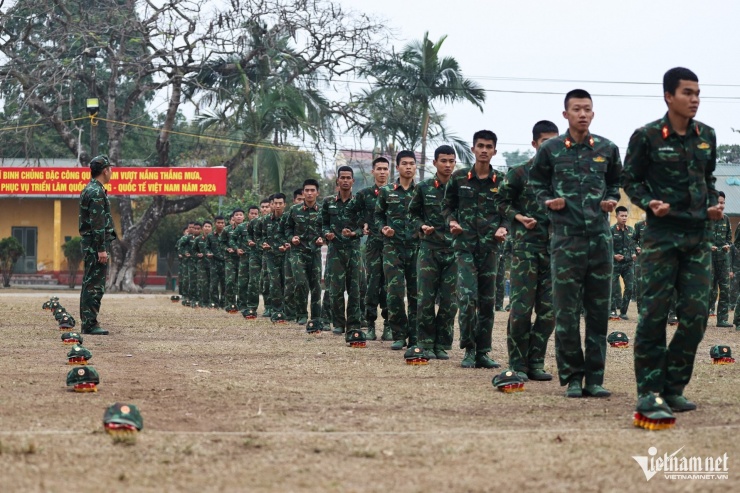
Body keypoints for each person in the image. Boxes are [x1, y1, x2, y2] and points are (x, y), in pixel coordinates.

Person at [622, 67, 722, 415]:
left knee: (695, 315)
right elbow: (631, 181)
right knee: (652, 315)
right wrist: (649, 203)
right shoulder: (647, 136)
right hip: (661, 237)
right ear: (669, 96)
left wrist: (714, 203)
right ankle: (649, 392)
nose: (695, 99)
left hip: (697, 238)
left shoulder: (706, 135)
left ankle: (673, 386)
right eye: (687, 92)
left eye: (697, 93)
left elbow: (708, 179)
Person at [529, 89, 622, 397]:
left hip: (600, 242)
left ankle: (595, 379)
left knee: (598, 313)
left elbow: (615, 182)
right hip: (565, 241)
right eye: (576, 109)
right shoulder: (551, 149)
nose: (582, 114)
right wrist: (547, 201)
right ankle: (572, 378)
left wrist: (610, 199)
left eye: (587, 109)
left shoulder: (607, 149)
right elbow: (535, 182)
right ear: (565, 114)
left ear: (593, 113)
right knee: (566, 313)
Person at [497, 120, 559, 381]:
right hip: (525, 250)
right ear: (535, 144)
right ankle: (518, 362)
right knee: (521, 310)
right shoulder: (520, 173)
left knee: (549, 311)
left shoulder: (564, 176)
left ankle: (536, 361)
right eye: (546, 142)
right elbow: (501, 202)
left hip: (556, 251)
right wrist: (518, 217)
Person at [443, 130, 509, 368]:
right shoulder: (459, 178)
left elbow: (508, 212)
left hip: (491, 249)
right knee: (468, 297)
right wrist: (451, 221)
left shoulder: (501, 181)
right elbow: (447, 206)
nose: (484, 150)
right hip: (465, 247)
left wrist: (504, 228)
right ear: (472, 149)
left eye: (488, 146)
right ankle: (469, 349)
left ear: (494, 151)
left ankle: (483, 351)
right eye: (480, 145)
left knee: (487, 301)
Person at [408, 145, 457, 359]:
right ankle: (426, 342)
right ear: (434, 162)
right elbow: (412, 214)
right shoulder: (424, 187)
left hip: (454, 251)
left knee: (449, 301)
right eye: (443, 161)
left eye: (451, 161)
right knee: (425, 299)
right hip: (429, 250)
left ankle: (442, 344)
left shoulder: (461, 187)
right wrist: (421, 226)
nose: (448, 165)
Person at [375, 151, 420, 350]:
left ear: (416, 167)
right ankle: (399, 334)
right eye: (404, 163)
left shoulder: (422, 191)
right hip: (392, 248)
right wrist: (383, 228)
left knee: (416, 293)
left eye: (412, 163)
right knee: (394, 292)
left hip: (417, 247)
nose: (408, 167)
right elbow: (378, 216)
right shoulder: (387, 191)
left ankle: (416, 336)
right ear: (398, 167)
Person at [347, 157, 391, 341]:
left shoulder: (394, 192)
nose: (382, 172)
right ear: (372, 171)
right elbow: (350, 210)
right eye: (379, 169)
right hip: (373, 244)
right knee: (373, 283)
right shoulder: (365, 194)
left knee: (389, 285)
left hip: (392, 245)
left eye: (385, 169)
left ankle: (389, 325)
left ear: (389, 171)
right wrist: (361, 225)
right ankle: (371, 324)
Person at [79, 155, 117, 335]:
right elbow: (98, 224)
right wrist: (101, 249)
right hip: (95, 246)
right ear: (105, 170)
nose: (112, 173)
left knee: (90, 283)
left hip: (92, 244)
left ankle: (89, 322)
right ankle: (90, 323)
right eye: (110, 169)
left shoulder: (91, 189)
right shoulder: (96, 192)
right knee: (94, 284)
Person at [321, 166, 362, 337]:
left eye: (348, 178)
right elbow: (322, 223)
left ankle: (353, 323)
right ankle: (338, 323)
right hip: (335, 250)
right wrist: (326, 234)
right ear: (337, 181)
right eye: (342, 177)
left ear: (353, 181)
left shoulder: (358, 202)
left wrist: (354, 233)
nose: (345, 180)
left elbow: (363, 226)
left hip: (353, 250)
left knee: (354, 289)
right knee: (336, 289)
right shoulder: (328, 202)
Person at [284, 179, 324, 326]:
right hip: (298, 251)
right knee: (300, 282)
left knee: (316, 285)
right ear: (303, 192)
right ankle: (301, 314)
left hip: (315, 252)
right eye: (306, 190)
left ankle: (316, 316)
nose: (309, 193)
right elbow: (286, 228)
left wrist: (323, 238)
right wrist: (291, 237)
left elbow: (326, 229)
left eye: (312, 190)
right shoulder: (294, 210)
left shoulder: (322, 211)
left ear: (317, 193)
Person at [262, 193, 288, 319]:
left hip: (286, 256)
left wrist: (287, 244)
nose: (277, 206)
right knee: (274, 283)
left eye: (280, 203)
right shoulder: (266, 220)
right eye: (275, 203)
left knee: (287, 283)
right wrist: (263, 244)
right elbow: (259, 236)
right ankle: (275, 309)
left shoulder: (289, 218)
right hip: (271, 256)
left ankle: (288, 310)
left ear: (284, 204)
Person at [709, 192, 733, 327]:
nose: (721, 205)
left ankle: (722, 319)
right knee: (709, 291)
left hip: (723, 259)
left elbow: (729, 238)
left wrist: (727, 245)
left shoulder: (727, 219)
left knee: (725, 289)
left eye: (723, 202)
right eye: (718, 202)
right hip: (709, 259)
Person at [610, 206, 636, 320]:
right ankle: (612, 310)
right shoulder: (611, 230)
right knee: (612, 287)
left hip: (628, 264)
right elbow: (605, 247)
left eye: (626, 216)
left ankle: (623, 311)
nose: (624, 218)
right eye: (622, 216)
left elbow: (635, 244)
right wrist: (613, 255)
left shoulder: (631, 230)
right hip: (614, 264)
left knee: (630, 287)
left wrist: (635, 252)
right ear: (616, 216)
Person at [207, 216, 227, 307]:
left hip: (226, 263)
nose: (220, 224)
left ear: (224, 223)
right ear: (215, 223)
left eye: (222, 223)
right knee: (214, 284)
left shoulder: (228, 234)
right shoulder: (210, 236)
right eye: (218, 222)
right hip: (214, 263)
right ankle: (214, 303)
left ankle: (223, 303)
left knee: (225, 284)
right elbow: (207, 247)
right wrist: (209, 253)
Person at [633, 215, 646, 313]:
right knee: (640, 283)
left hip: (656, 259)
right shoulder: (638, 225)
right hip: (641, 259)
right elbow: (633, 240)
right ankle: (641, 311)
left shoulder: (660, 226)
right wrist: (637, 247)